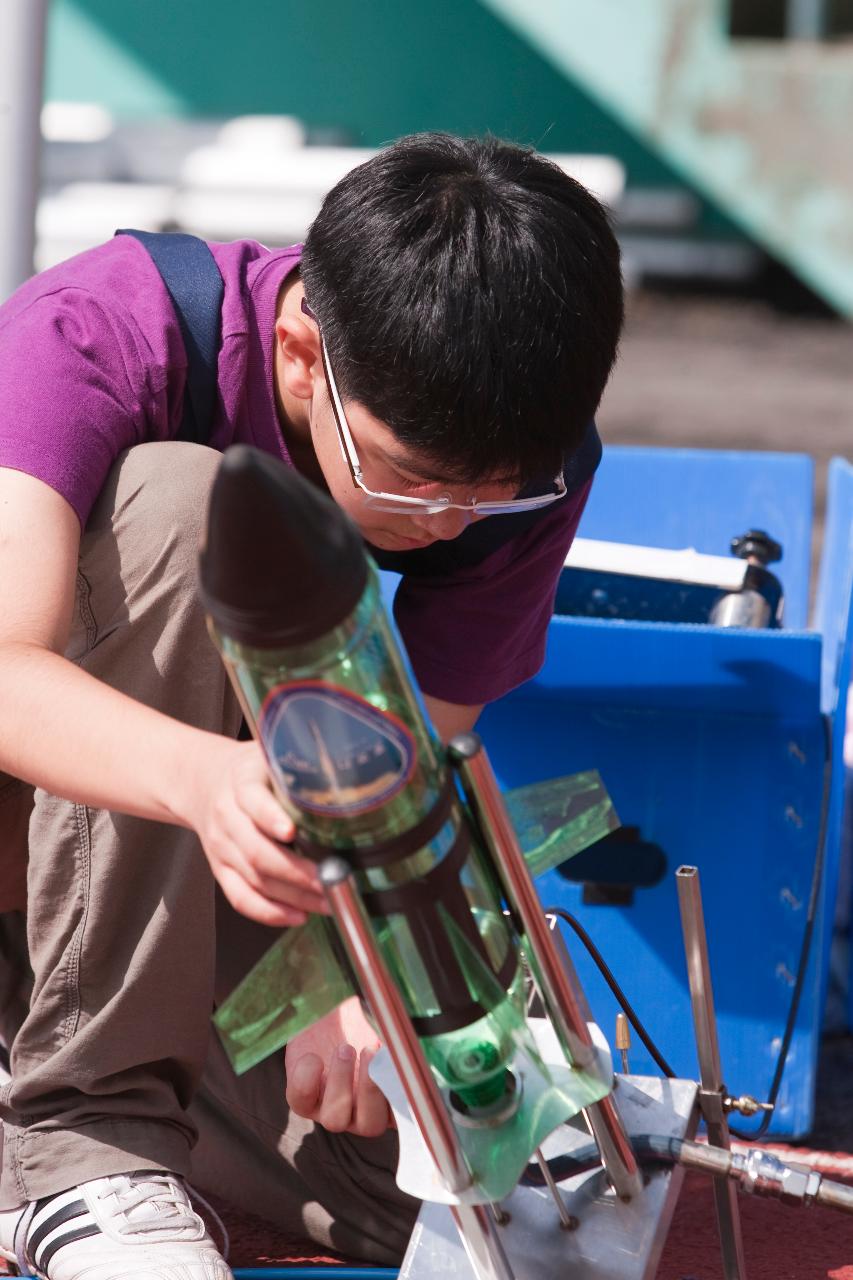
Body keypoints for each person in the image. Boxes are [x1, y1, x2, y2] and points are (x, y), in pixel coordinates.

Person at [0, 132, 623, 1279]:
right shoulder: (96, 329)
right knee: (191, 505)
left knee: (462, 1190)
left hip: (176, 878)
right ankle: (85, 1138)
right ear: (299, 352)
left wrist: (364, 974)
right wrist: (202, 776)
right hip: (42, 831)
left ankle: (42, 1082)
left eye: (492, 496)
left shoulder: (516, 465)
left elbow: (414, 760)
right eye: (412, 479)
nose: (448, 523)